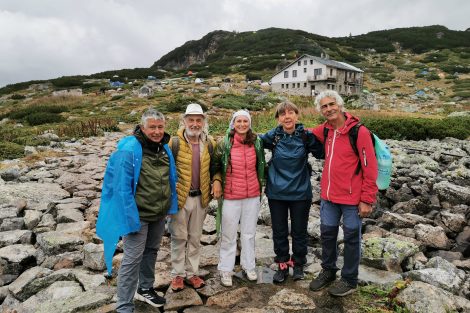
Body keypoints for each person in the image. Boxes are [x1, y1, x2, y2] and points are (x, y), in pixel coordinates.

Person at [96, 108, 178, 312]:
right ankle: (124, 305)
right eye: (152, 127)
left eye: (160, 127)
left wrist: (170, 206)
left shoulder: (164, 148)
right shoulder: (129, 150)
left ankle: (146, 288)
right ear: (142, 127)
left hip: (158, 213)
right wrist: (129, 218)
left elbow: (171, 178)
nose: (157, 131)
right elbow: (121, 188)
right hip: (137, 215)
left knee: (151, 251)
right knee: (132, 259)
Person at [308, 90, 378, 297]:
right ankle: (328, 271)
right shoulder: (326, 130)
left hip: (351, 198)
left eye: (331, 104)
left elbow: (370, 167)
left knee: (351, 238)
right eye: (324, 106)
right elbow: (308, 132)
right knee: (327, 236)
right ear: (320, 110)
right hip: (329, 197)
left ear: (340, 105)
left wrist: (367, 199)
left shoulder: (359, 131)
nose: (328, 109)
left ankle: (349, 279)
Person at [260, 101, 323, 283]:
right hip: (276, 192)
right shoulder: (273, 136)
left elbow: (322, 152)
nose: (287, 116)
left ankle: (298, 264)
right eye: (282, 114)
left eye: (290, 113)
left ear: (297, 115)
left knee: (299, 231)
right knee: (279, 231)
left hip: (301, 192)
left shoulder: (306, 136)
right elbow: (252, 143)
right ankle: (282, 264)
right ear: (278, 118)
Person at [169, 103, 221, 291]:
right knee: (178, 237)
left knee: (195, 237)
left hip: (201, 198)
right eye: (191, 120)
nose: (195, 124)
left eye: (198, 120)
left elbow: (216, 167)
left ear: (203, 122)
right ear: (184, 121)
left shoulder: (210, 143)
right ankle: (177, 274)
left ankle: (192, 273)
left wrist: (216, 180)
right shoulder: (173, 143)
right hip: (180, 198)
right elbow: (165, 168)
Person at [212, 110, 266, 287]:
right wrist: (217, 181)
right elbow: (215, 165)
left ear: (249, 123)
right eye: (238, 121)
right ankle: (226, 269)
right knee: (228, 234)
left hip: (252, 195)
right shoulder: (225, 143)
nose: (242, 124)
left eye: (245, 121)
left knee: (249, 234)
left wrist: (262, 185)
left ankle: (249, 266)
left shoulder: (257, 141)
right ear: (233, 123)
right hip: (231, 195)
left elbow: (261, 165)